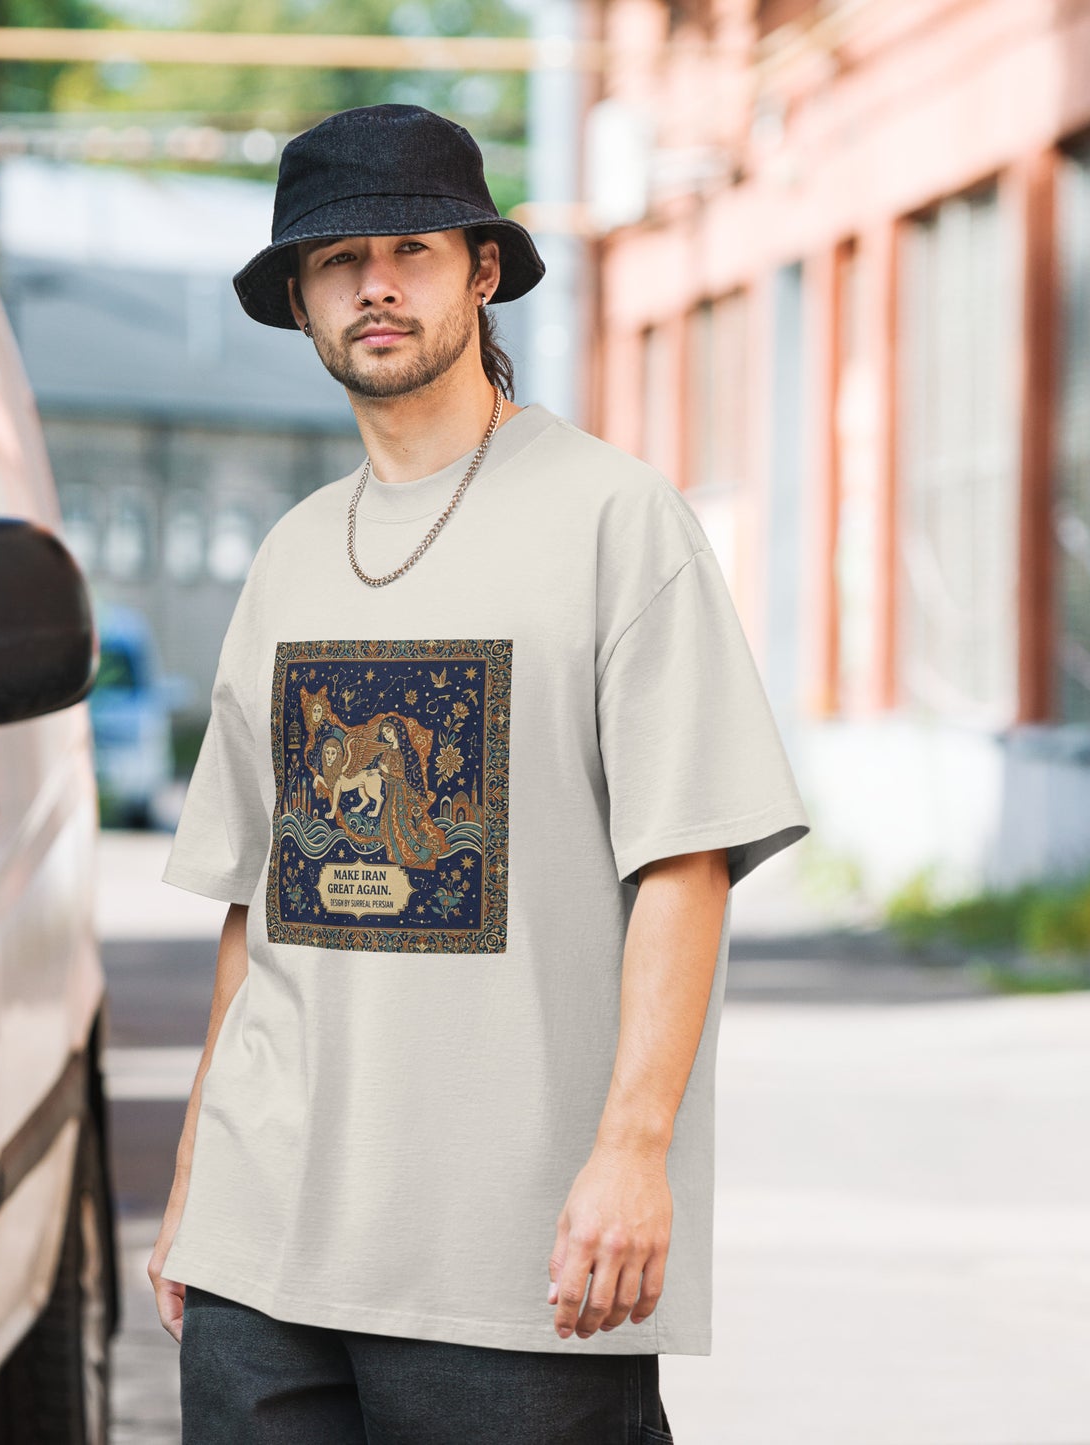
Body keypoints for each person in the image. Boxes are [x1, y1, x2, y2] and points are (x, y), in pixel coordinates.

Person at [148, 102, 811, 1444]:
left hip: (514, 1266)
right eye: (338, 261)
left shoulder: (615, 517)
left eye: (411, 250)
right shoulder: (287, 556)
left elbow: (686, 862)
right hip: (261, 1253)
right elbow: (254, 902)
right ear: (300, 301)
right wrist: (195, 1178)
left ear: (483, 272)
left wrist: (632, 1151)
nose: (375, 285)